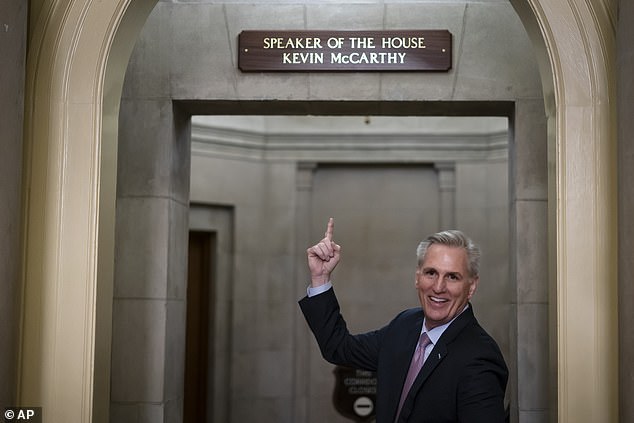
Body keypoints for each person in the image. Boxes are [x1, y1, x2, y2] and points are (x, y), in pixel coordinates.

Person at [299, 218, 508, 423]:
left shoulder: (480, 357)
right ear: (417, 277)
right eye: (431, 273)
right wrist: (320, 278)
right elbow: (339, 347)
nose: (438, 287)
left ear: (471, 286)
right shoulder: (405, 325)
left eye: (452, 277)